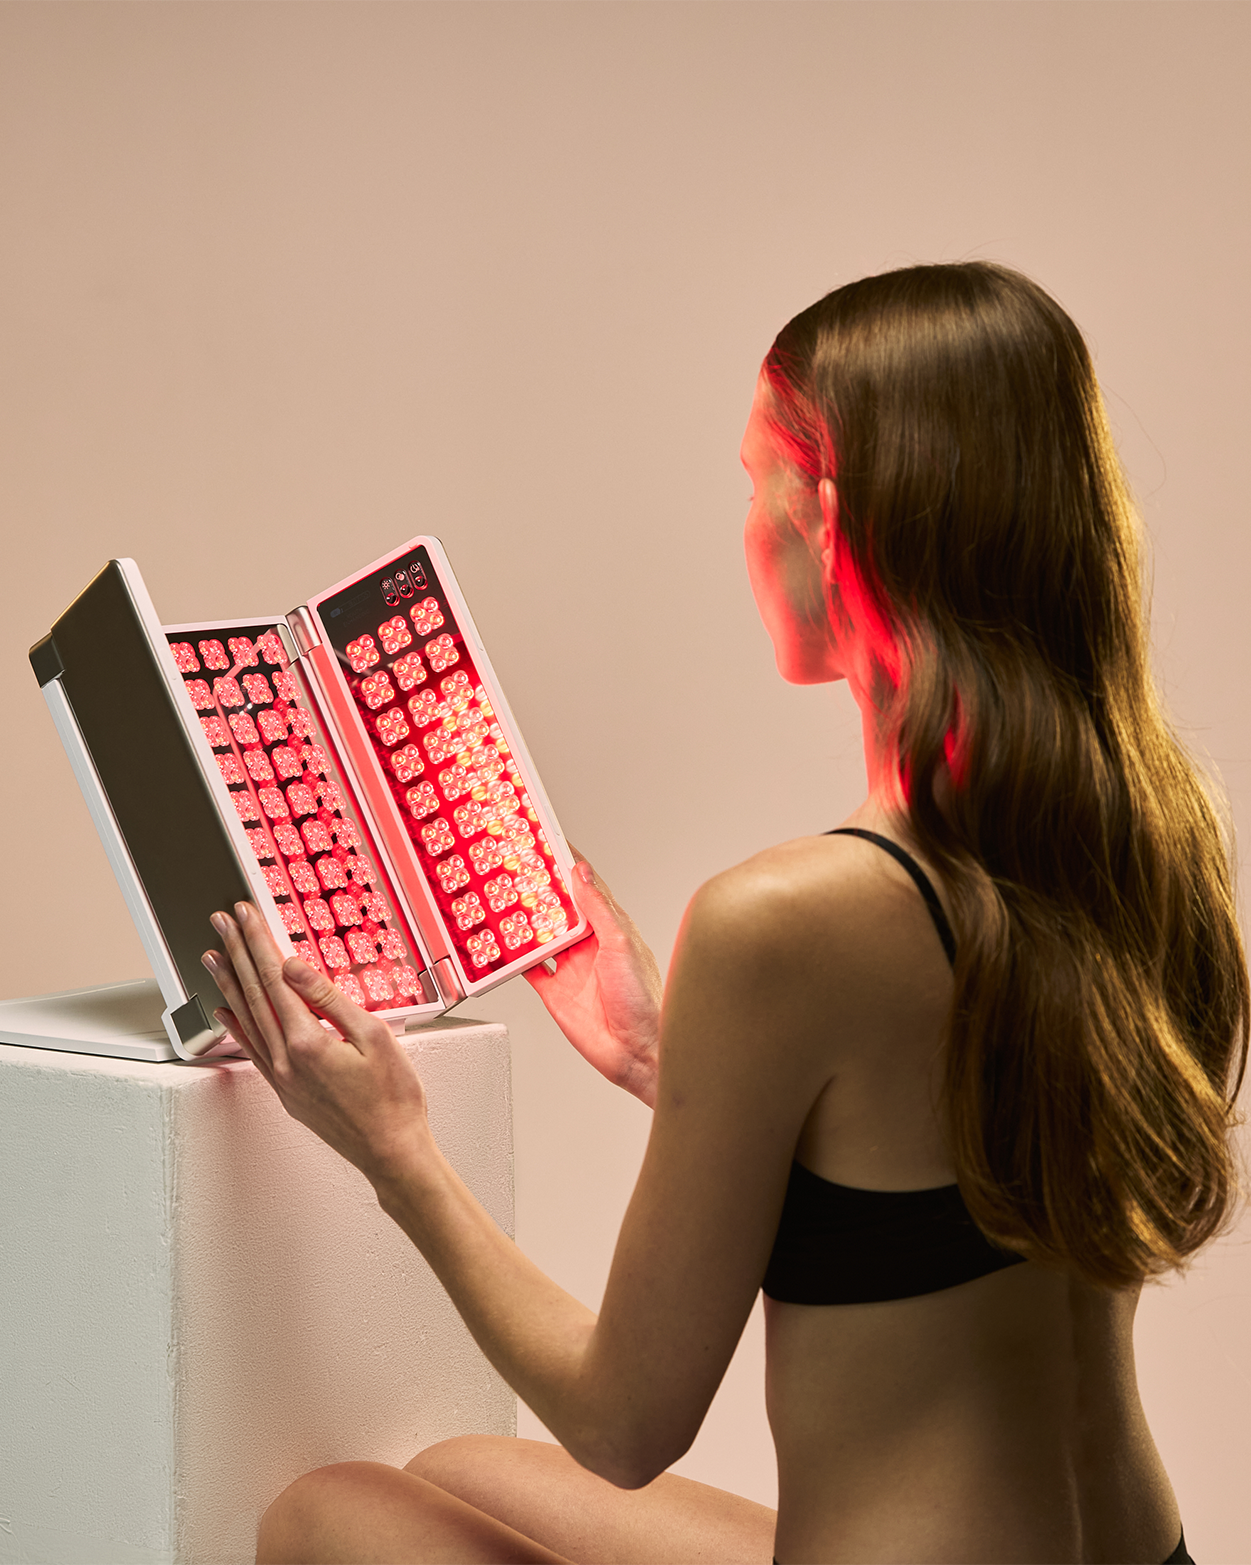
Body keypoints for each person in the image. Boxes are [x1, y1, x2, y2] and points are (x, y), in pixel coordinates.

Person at [203, 261, 1248, 1564]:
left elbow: (624, 1421)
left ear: (828, 513)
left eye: (749, 481)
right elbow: (934, 1180)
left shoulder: (786, 921)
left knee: (325, 1517)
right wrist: (668, 1062)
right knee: (465, 1466)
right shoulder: (1148, 846)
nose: (743, 526)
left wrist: (397, 1152)